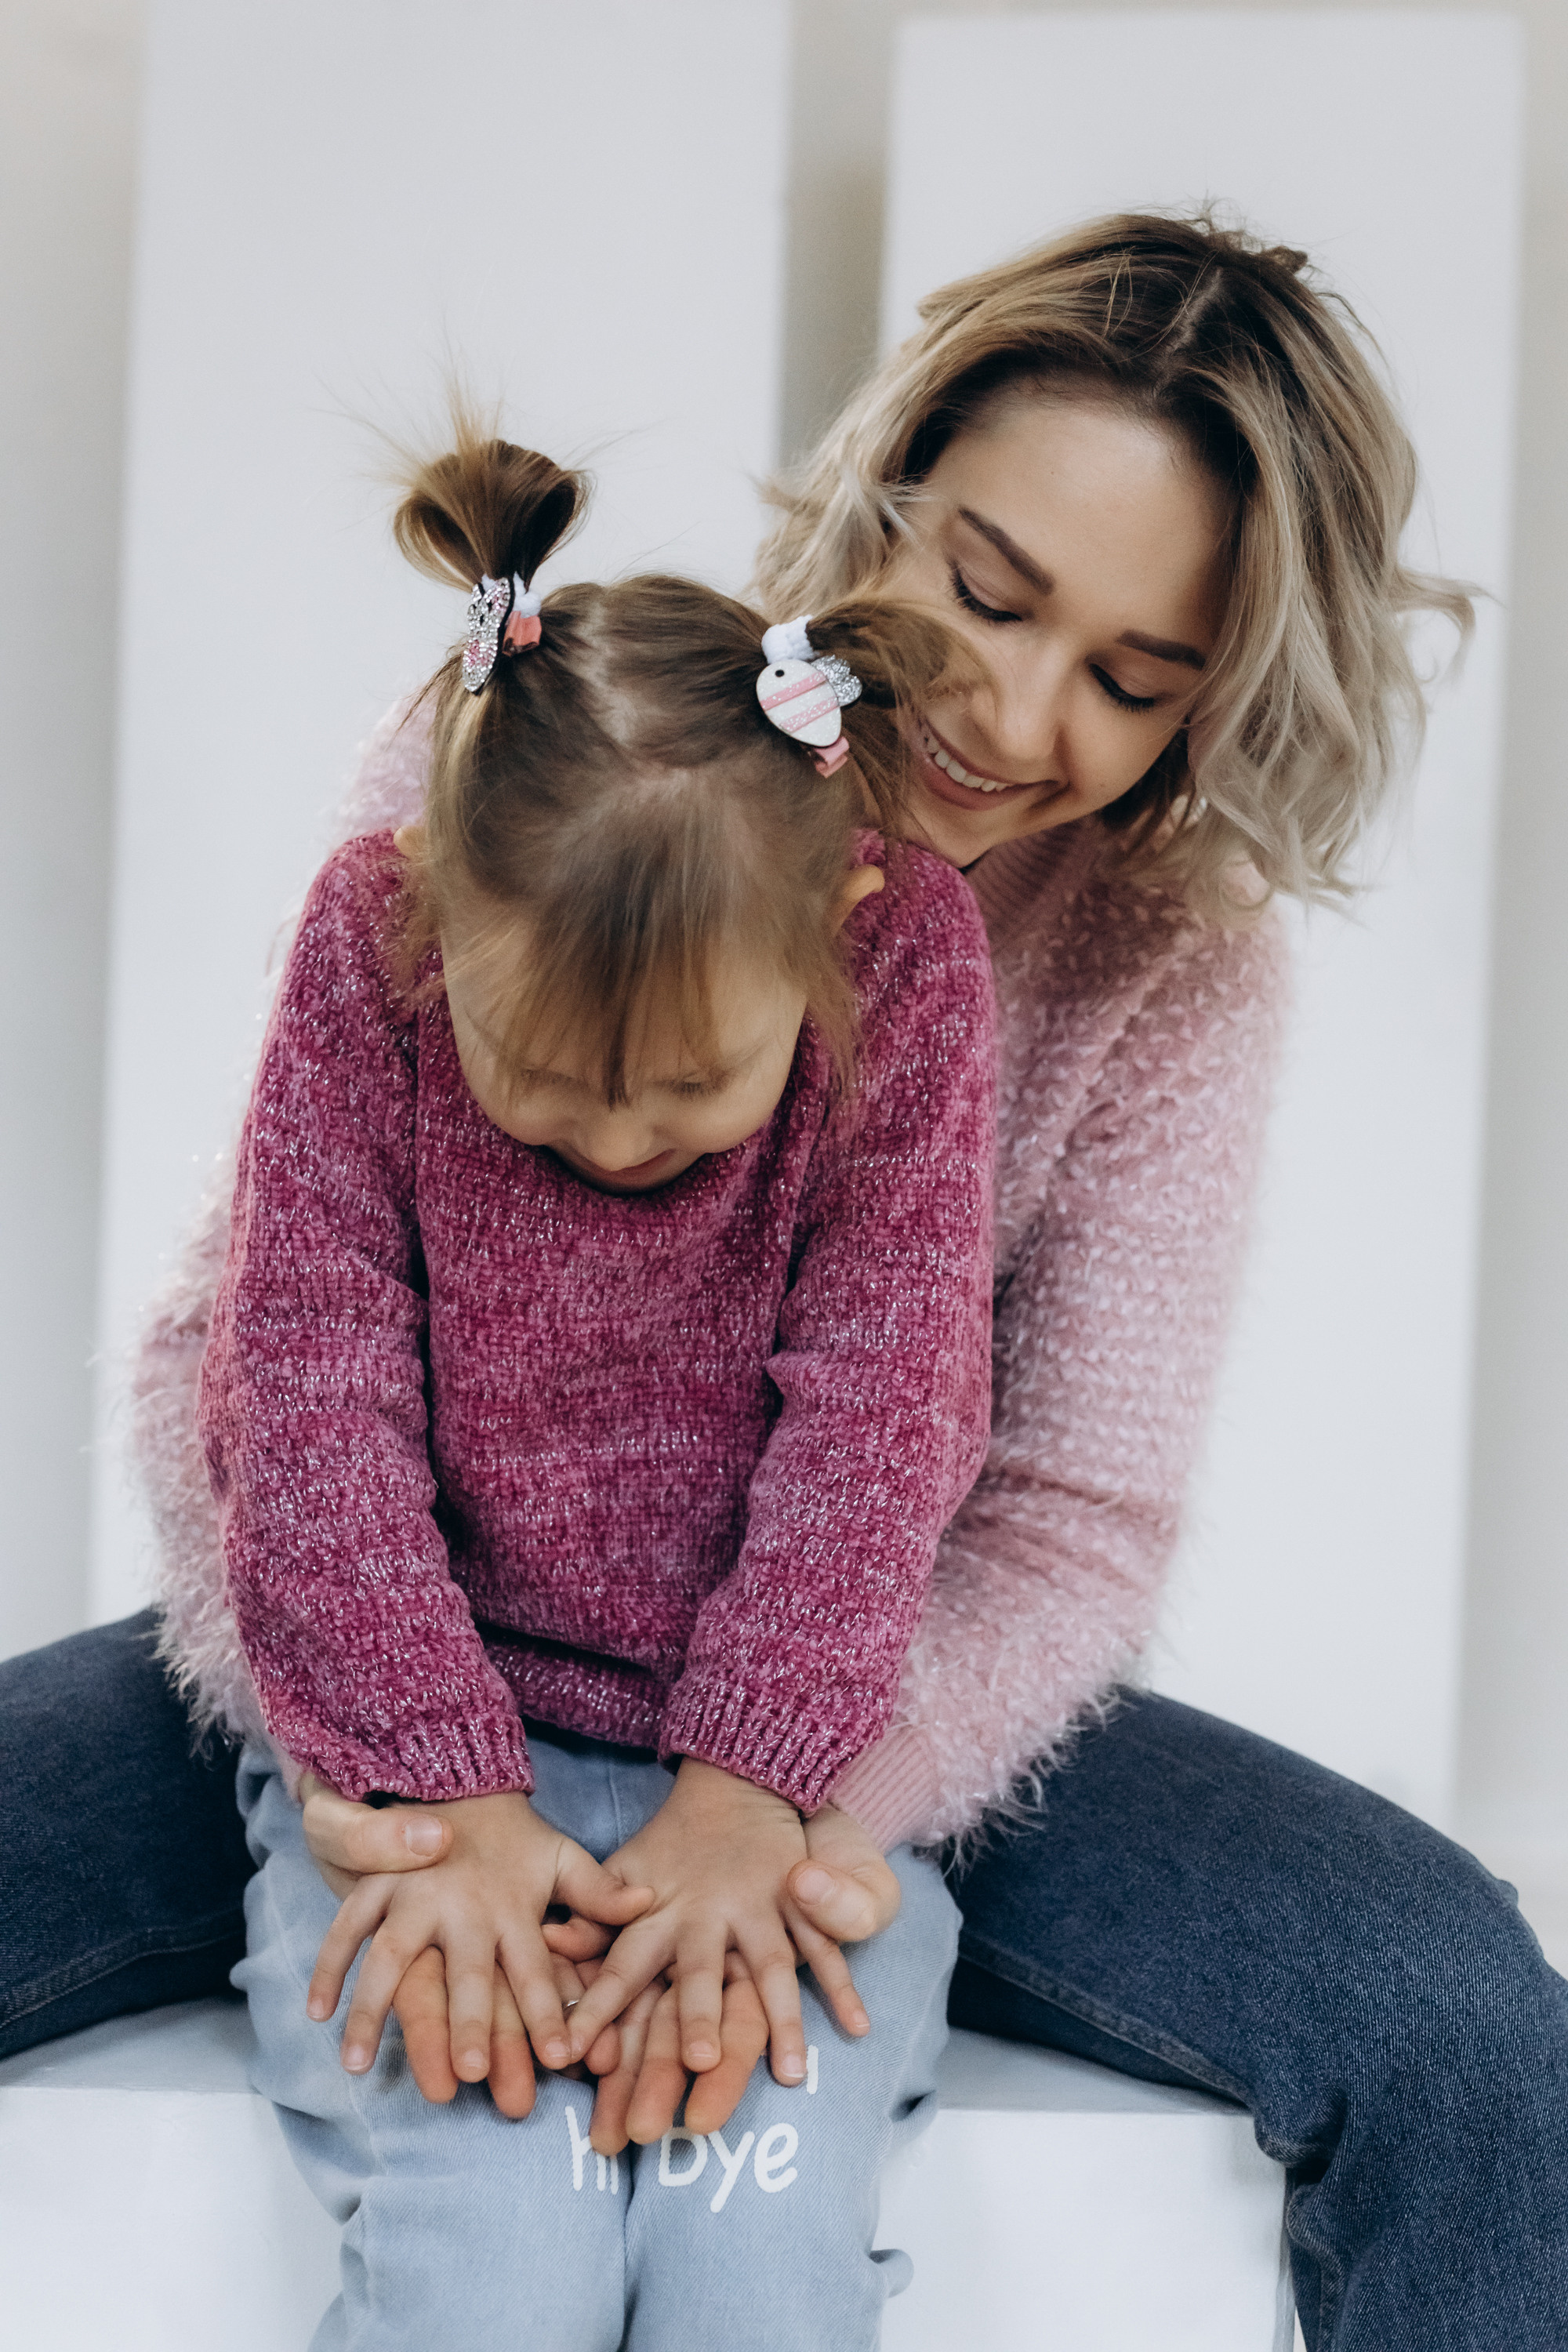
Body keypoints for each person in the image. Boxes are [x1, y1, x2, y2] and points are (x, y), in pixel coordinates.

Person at [2, 213, 1563, 2348]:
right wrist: (407, 1783)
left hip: (870, 1693)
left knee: (1456, 2013)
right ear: (885, 485)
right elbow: (256, 1355)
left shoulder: (1172, 968)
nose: (1015, 713)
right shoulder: (552, 748)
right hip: (393, 1635)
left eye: (1134, 675)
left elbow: (1061, 1521)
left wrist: (781, 1817)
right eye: (989, 593)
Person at [189, 422, 997, 2350]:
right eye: (540, 1076)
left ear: (835, 958)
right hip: (434, 1752)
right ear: (429, 926)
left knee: (753, 2264)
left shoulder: (913, 969)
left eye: (688, 1087)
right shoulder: (355, 944)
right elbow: (302, 1392)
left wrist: (750, 1799)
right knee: (497, 2250)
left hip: (770, 1786)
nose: (615, 1135)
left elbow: (887, 1413)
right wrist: (443, 1790)